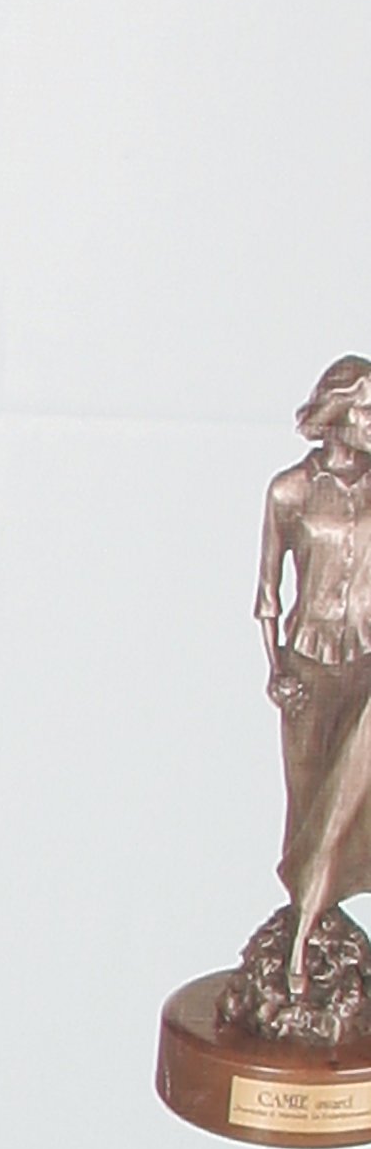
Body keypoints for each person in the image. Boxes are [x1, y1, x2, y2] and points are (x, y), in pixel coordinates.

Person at [259, 358, 371, 997]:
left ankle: (310, 931)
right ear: (335, 414)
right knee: (306, 806)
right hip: (307, 667)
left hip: (366, 668)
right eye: (365, 409)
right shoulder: (290, 492)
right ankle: (305, 919)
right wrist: (276, 670)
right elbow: (267, 595)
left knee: (348, 804)